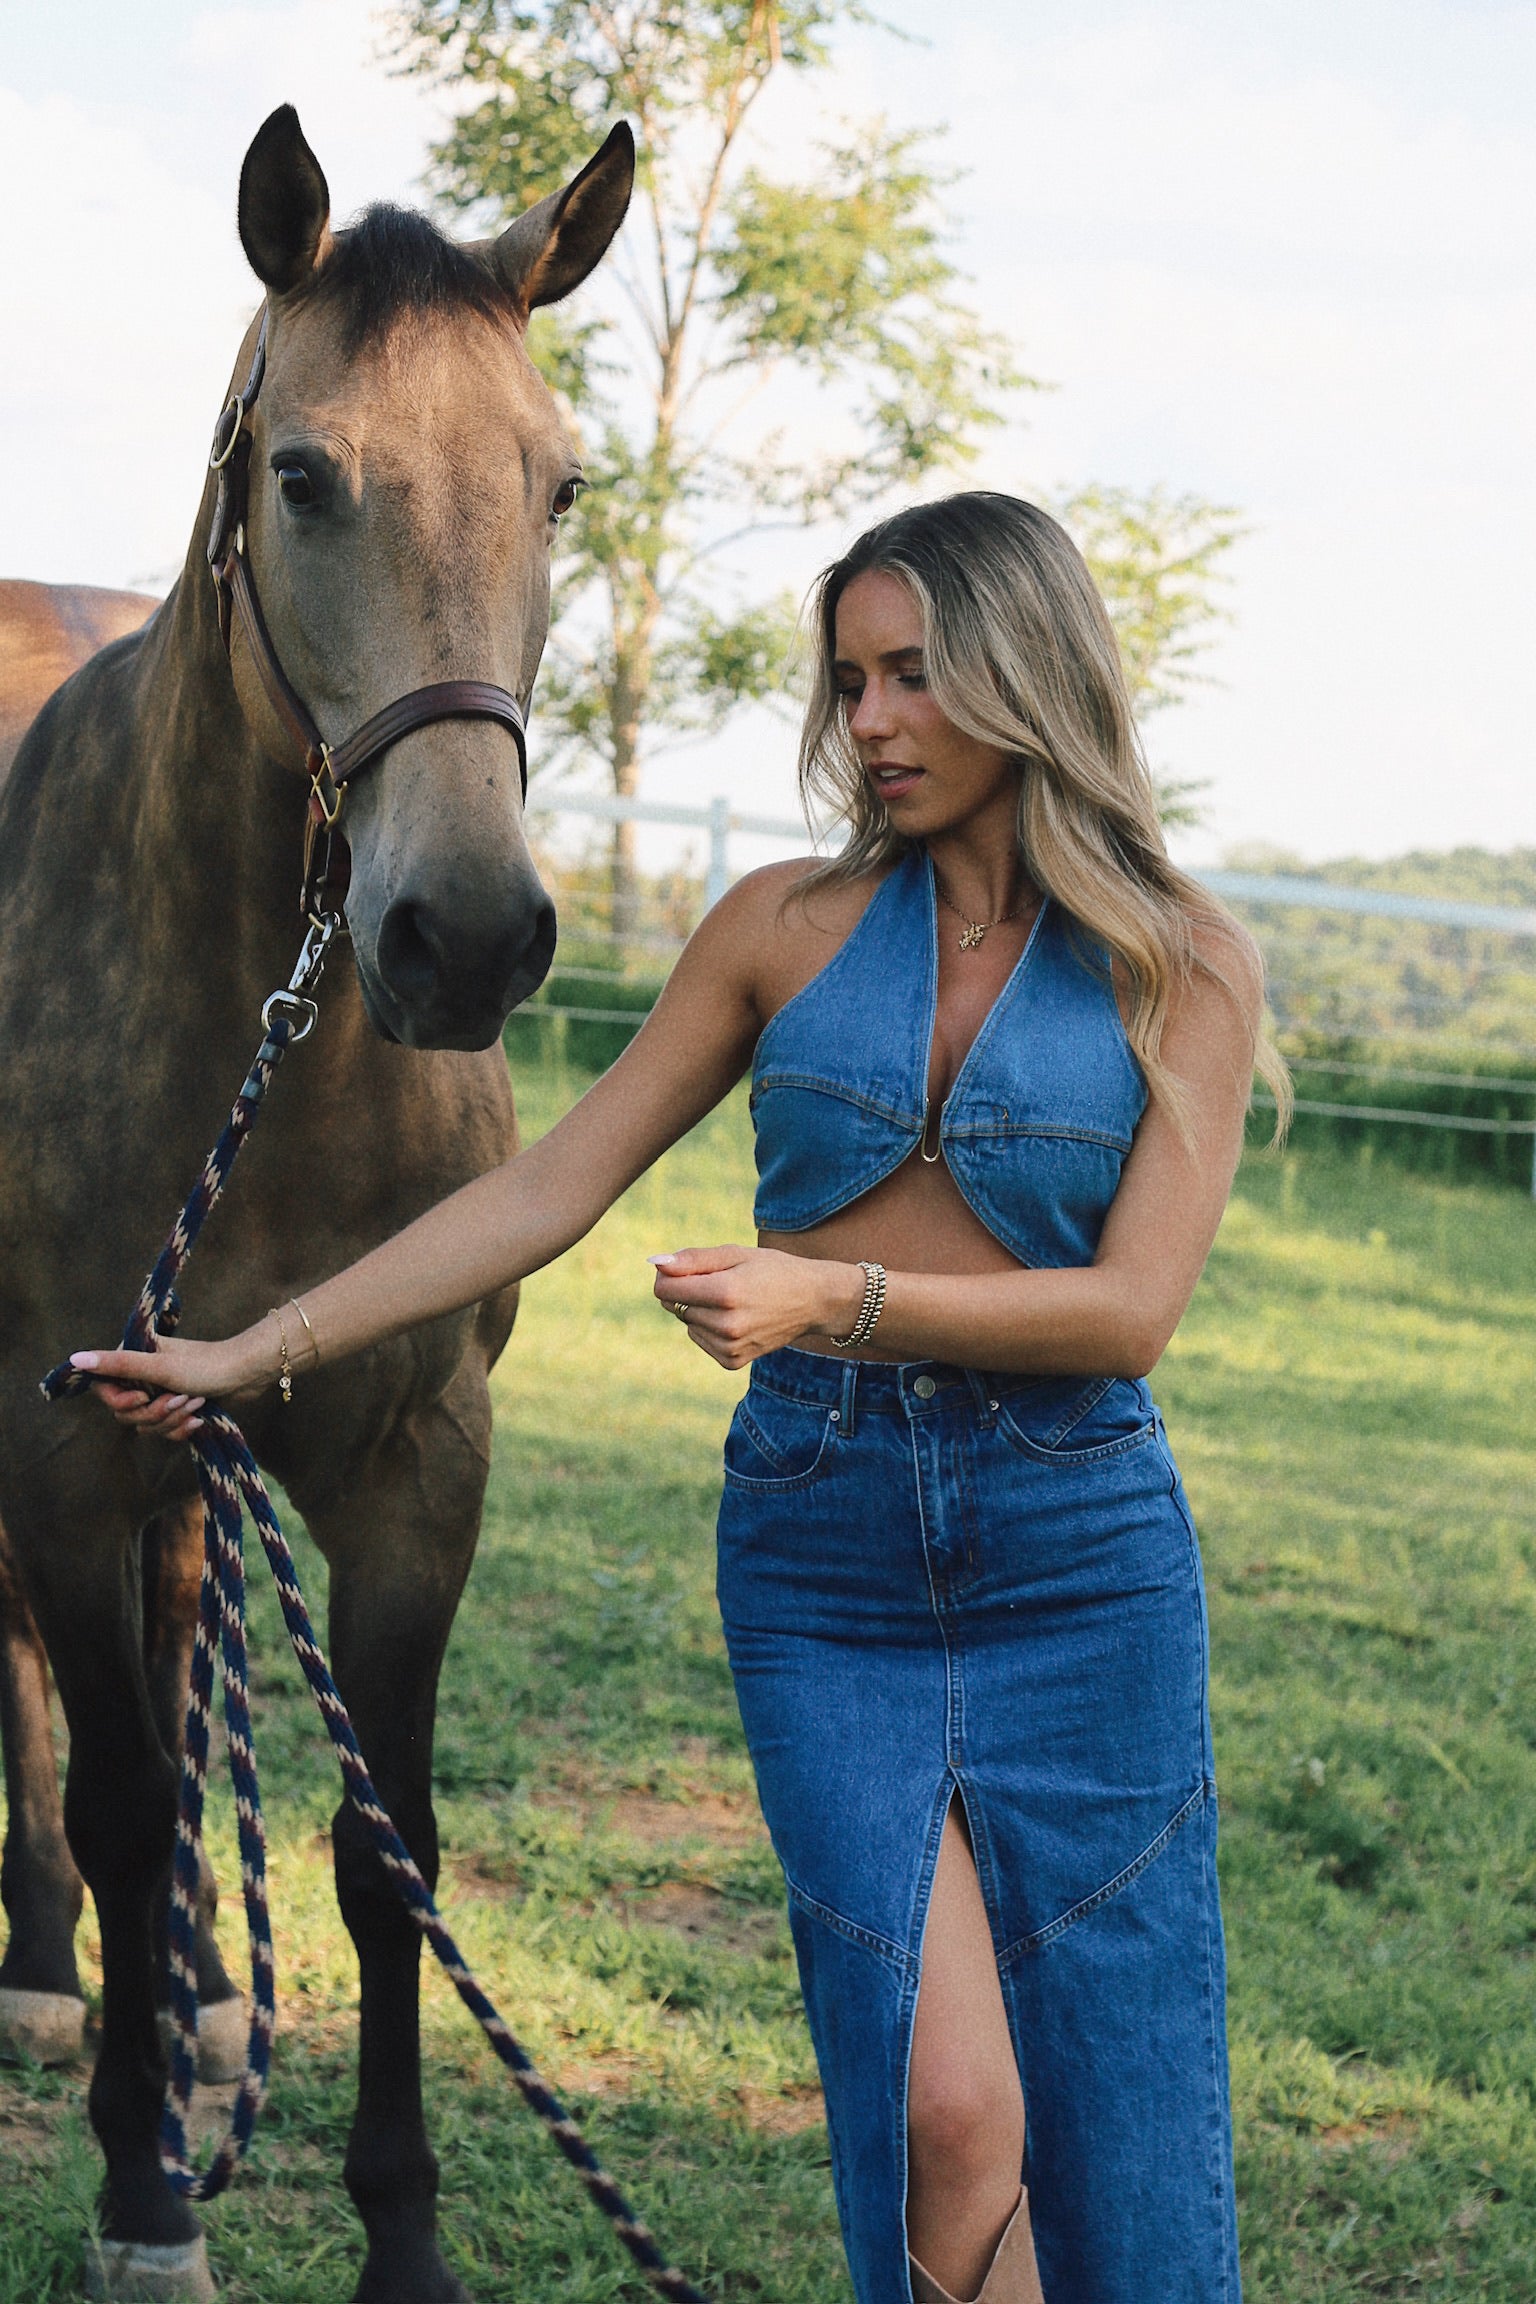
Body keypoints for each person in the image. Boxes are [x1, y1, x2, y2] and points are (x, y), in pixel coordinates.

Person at [77, 491, 1288, 2304]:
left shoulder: (1181, 960)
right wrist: (261, 1349)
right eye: (850, 680)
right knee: (947, 2110)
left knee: (1112, 2088)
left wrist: (831, 1294)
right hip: (829, 1566)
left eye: (911, 677)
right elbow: (543, 1185)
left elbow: (1129, 1314)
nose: (867, 719)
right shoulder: (776, 930)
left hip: (1082, 1564)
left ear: (1025, 675)